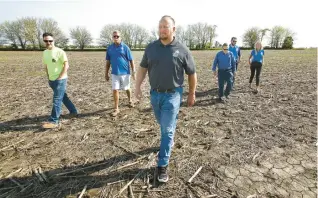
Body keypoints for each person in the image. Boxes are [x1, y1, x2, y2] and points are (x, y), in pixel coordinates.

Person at [135, 15, 197, 183]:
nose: (162, 29)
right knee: (163, 125)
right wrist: (137, 86)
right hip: (155, 95)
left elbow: (192, 74)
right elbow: (142, 68)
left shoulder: (182, 50)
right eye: (160, 26)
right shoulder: (151, 48)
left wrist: (192, 93)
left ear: (173, 29)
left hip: (173, 94)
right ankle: (167, 139)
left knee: (167, 130)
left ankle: (162, 166)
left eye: (166, 27)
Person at [42, 32, 78, 129]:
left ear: (54, 41)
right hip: (51, 80)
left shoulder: (60, 51)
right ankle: (74, 111)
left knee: (57, 99)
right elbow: (46, 66)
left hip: (60, 80)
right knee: (63, 97)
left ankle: (54, 121)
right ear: (43, 41)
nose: (48, 42)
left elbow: (66, 65)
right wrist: (48, 77)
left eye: (50, 40)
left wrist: (60, 76)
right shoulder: (45, 53)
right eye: (46, 41)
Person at [105, 30, 136, 117]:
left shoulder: (125, 47)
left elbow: (131, 60)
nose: (116, 38)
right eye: (114, 36)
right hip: (114, 73)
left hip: (125, 73)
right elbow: (108, 62)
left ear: (120, 37)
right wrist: (106, 73)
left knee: (127, 88)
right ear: (112, 37)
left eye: (117, 36)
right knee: (115, 90)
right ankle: (116, 108)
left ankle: (130, 100)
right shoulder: (110, 48)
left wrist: (134, 72)